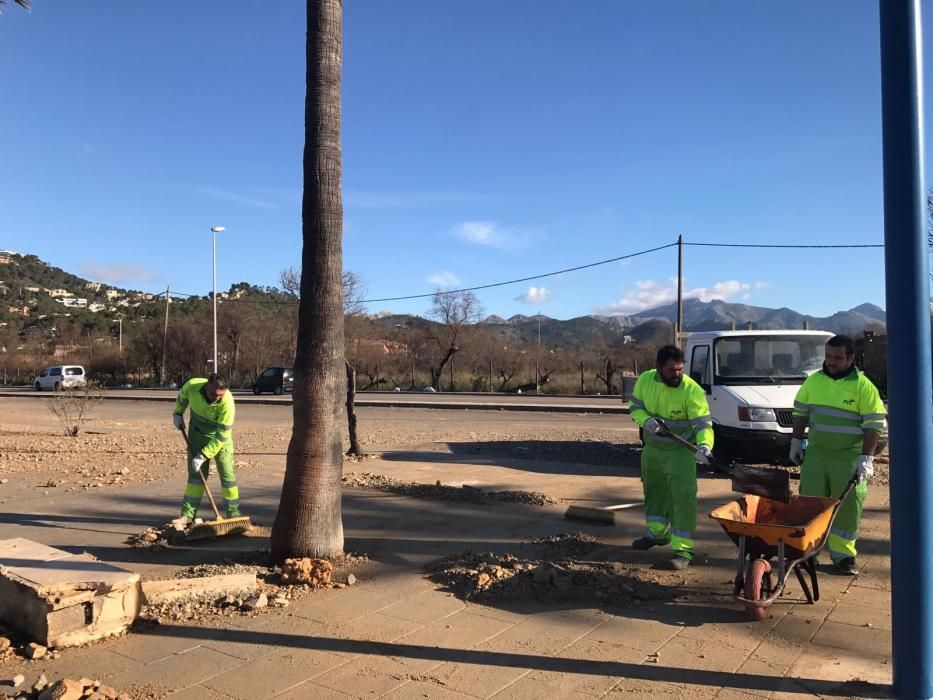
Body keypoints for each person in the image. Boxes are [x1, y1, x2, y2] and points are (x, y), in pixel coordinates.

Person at [790, 335, 886, 575]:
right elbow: (800, 413)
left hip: (848, 458)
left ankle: (843, 555)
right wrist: (796, 440)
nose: (831, 362)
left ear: (851, 358)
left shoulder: (863, 387)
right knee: (810, 506)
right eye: (828, 356)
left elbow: (873, 424)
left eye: (837, 358)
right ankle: (808, 553)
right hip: (816, 456)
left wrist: (867, 458)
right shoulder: (813, 382)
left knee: (847, 508)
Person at [629, 345, 714, 570]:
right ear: (658, 368)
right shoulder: (646, 381)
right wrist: (645, 420)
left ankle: (683, 550)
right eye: (671, 370)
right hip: (653, 450)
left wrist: (705, 445)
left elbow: (703, 424)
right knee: (654, 493)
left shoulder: (691, 390)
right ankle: (657, 534)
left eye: (680, 370)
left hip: (680, 453)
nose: (677, 374)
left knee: (682, 499)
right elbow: (635, 407)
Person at [171, 373, 239, 525]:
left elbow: (222, 436)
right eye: (214, 394)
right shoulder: (192, 386)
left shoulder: (227, 402)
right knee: (196, 477)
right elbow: (182, 398)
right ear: (207, 385)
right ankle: (188, 514)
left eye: (220, 395)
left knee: (227, 475)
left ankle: (233, 513)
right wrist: (178, 413)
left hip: (219, 439)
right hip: (196, 435)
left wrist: (203, 455)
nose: (217, 398)